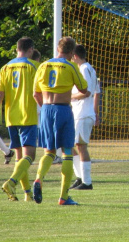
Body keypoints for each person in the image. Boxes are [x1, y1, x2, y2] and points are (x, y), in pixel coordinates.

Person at [33, 37, 88, 205]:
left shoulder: (43, 65)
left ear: (58, 48)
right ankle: (64, 197)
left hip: (46, 110)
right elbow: (84, 89)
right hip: (63, 109)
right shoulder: (70, 66)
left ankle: (38, 178)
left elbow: (35, 93)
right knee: (67, 151)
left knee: (49, 152)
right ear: (72, 53)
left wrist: (46, 109)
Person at [0, 37, 40, 201]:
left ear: (17, 49)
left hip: (11, 117)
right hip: (28, 116)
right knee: (30, 156)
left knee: (19, 158)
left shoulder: (6, 67)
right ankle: (11, 182)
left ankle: (27, 194)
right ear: (31, 50)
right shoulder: (34, 66)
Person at [69, 44, 101, 190]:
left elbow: (87, 92)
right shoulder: (88, 68)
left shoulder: (84, 69)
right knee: (71, 146)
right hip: (80, 113)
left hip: (83, 113)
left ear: (75, 56)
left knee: (81, 146)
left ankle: (87, 182)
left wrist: (70, 96)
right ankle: (80, 177)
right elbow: (96, 92)